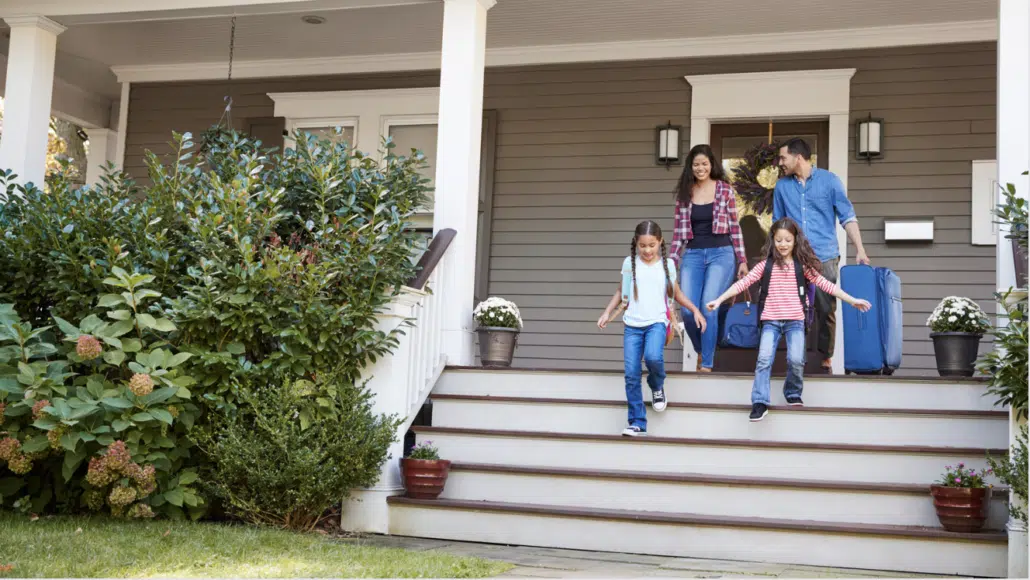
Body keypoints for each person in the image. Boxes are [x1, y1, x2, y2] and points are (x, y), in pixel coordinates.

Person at [706, 218, 871, 422]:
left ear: (795, 241)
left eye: (787, 240)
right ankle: (759, 401)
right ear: (772, 241)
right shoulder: (765, 266)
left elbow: (827, 285)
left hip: (795, 321)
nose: (783, 244)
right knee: (764, 359)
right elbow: (744, 283)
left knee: (795, 359)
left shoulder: (802, 267)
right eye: (778, 240)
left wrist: (852, 300)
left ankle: (792, 393)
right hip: (770, 321)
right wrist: (719, 299)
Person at [598, 220, 706, 437]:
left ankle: (656, 386)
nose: (647, 250)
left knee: (654, 358)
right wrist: (607, 312)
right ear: (636, 244)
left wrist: (695, 310)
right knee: (631, 373)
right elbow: (620, 291)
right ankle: (637, 422)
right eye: (643, 246)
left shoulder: (667, 266)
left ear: (660, 242)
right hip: (632, 326)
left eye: (652, 245)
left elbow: (676, 293)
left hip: (657, 323)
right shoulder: (630, 264)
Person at [773, 137, 870, 372]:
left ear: (798, 157)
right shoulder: (782, 187)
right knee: (795, 308)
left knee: (826, 308)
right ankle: (798, 358)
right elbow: (778, 224)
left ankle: (825, 358)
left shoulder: (830, 181)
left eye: (783, 157)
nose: (780, 163)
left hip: (825, 255)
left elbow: (847, 217)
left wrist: (860, 249)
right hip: (794, 258)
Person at [669, 144, 748, 373]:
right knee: (687, 310)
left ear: (712, 165)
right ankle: (704, 349)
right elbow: (677, 235)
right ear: (690, 167)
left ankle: (707, 365)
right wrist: (672, 262)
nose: (700, 168)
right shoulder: (685, 194)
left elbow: (734, 226)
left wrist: (742, 259)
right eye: (696, 164)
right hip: (692, 254)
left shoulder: (724, 190)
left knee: (708, 306)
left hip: (721, 254)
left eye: (704, 163)